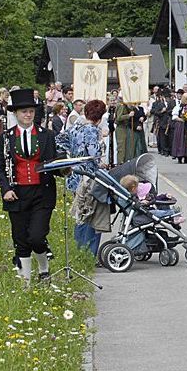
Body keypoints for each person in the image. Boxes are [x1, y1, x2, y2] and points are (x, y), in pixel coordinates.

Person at [0, 89, 64, 282]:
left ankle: (43, 269)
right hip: (16, 193)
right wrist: (6, 189)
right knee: (21, 239)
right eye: (24, 111)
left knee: (36, 236)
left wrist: (65, 168)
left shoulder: (46, 135)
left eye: (31, 111)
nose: (28, 115)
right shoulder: (6, 137)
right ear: (15, 113)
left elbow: (52, 164)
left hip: (42, 192)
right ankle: (25, 280)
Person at [57, 99, 107, 255]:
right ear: (99, 117)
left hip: (74, 174)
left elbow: (58, 141)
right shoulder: (92, 129)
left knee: (79, 212)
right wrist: (101, 142)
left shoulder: (75, 127)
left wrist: (71, 156)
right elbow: (94, 154)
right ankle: (87, 252)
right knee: (90, 214)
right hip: (88, 176)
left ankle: (79, 250)